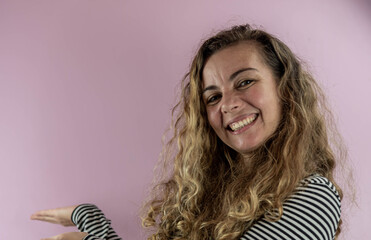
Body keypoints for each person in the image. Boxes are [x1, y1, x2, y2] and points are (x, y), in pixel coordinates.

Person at [31, 24, 346, 240]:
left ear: (285, 89)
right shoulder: (209, 194)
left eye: (245, 82)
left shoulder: (313, 197)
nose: (229, 104)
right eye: (212, 97)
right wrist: (94, 222)